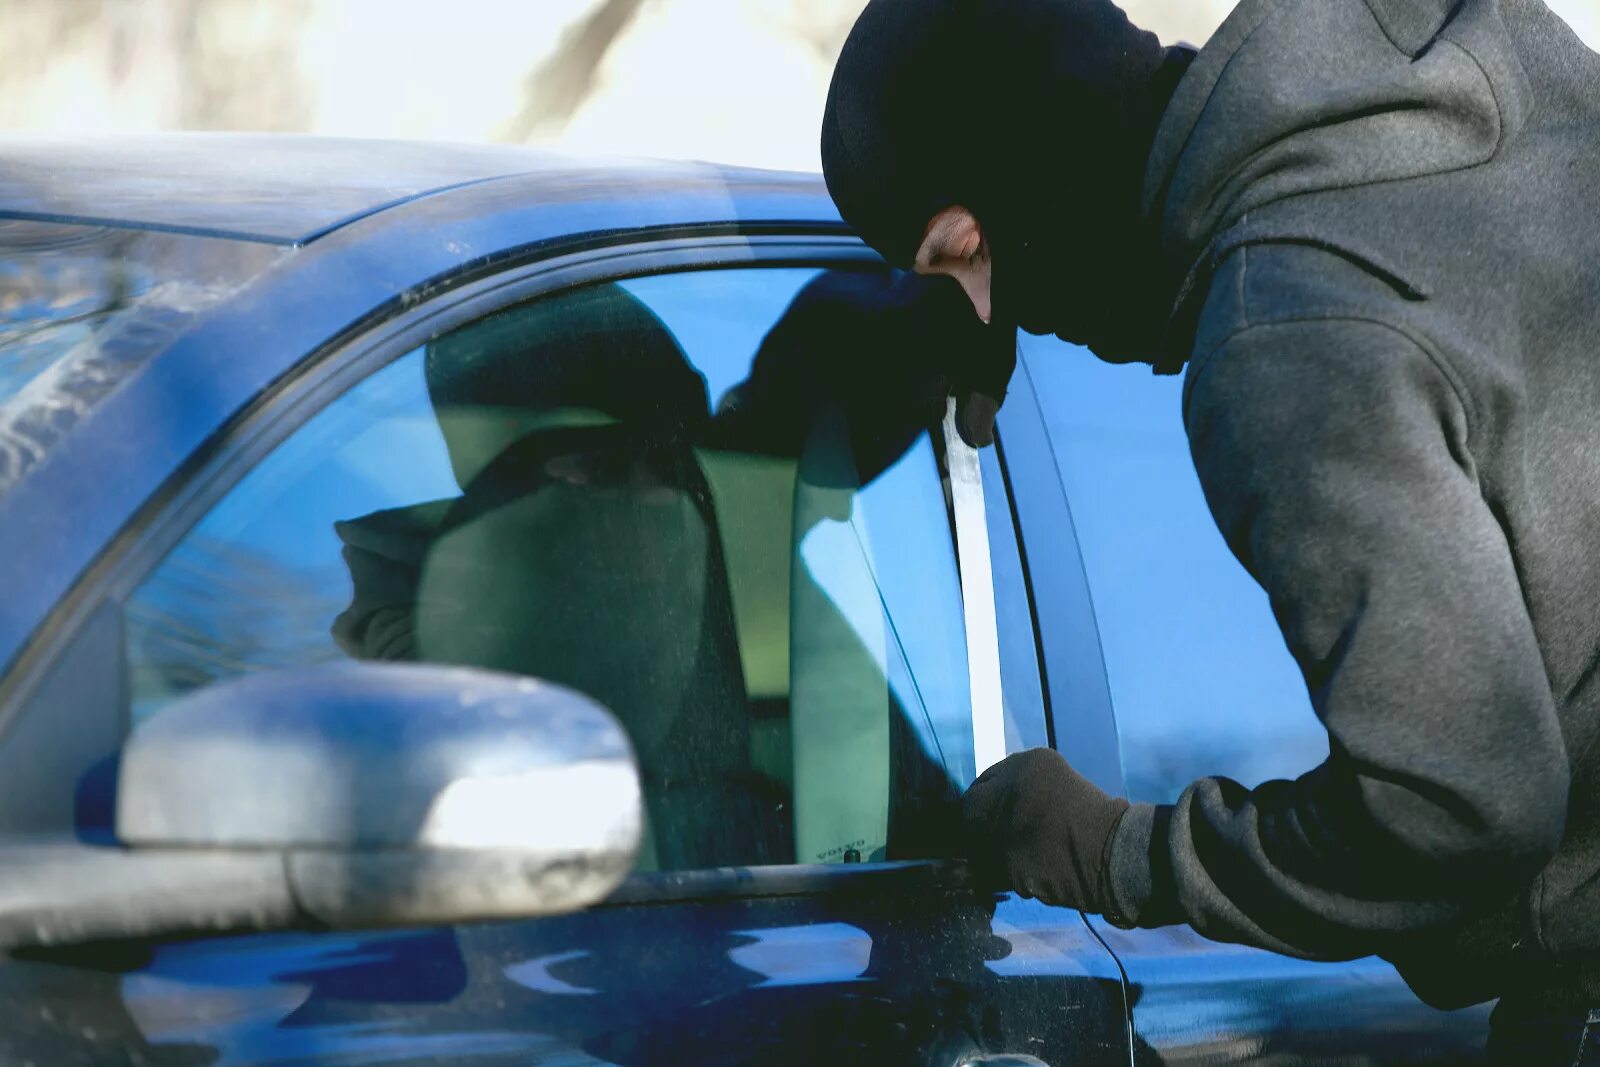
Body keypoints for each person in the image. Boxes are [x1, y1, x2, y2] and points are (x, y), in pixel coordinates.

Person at [820, 0, 1600, 1061]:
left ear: (1021, 171)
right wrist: (982, 289)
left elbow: (1456, 806)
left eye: (958, 251)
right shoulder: (1488, 76)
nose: (989, 303)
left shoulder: (1287, 340)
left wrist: (1112, 853)